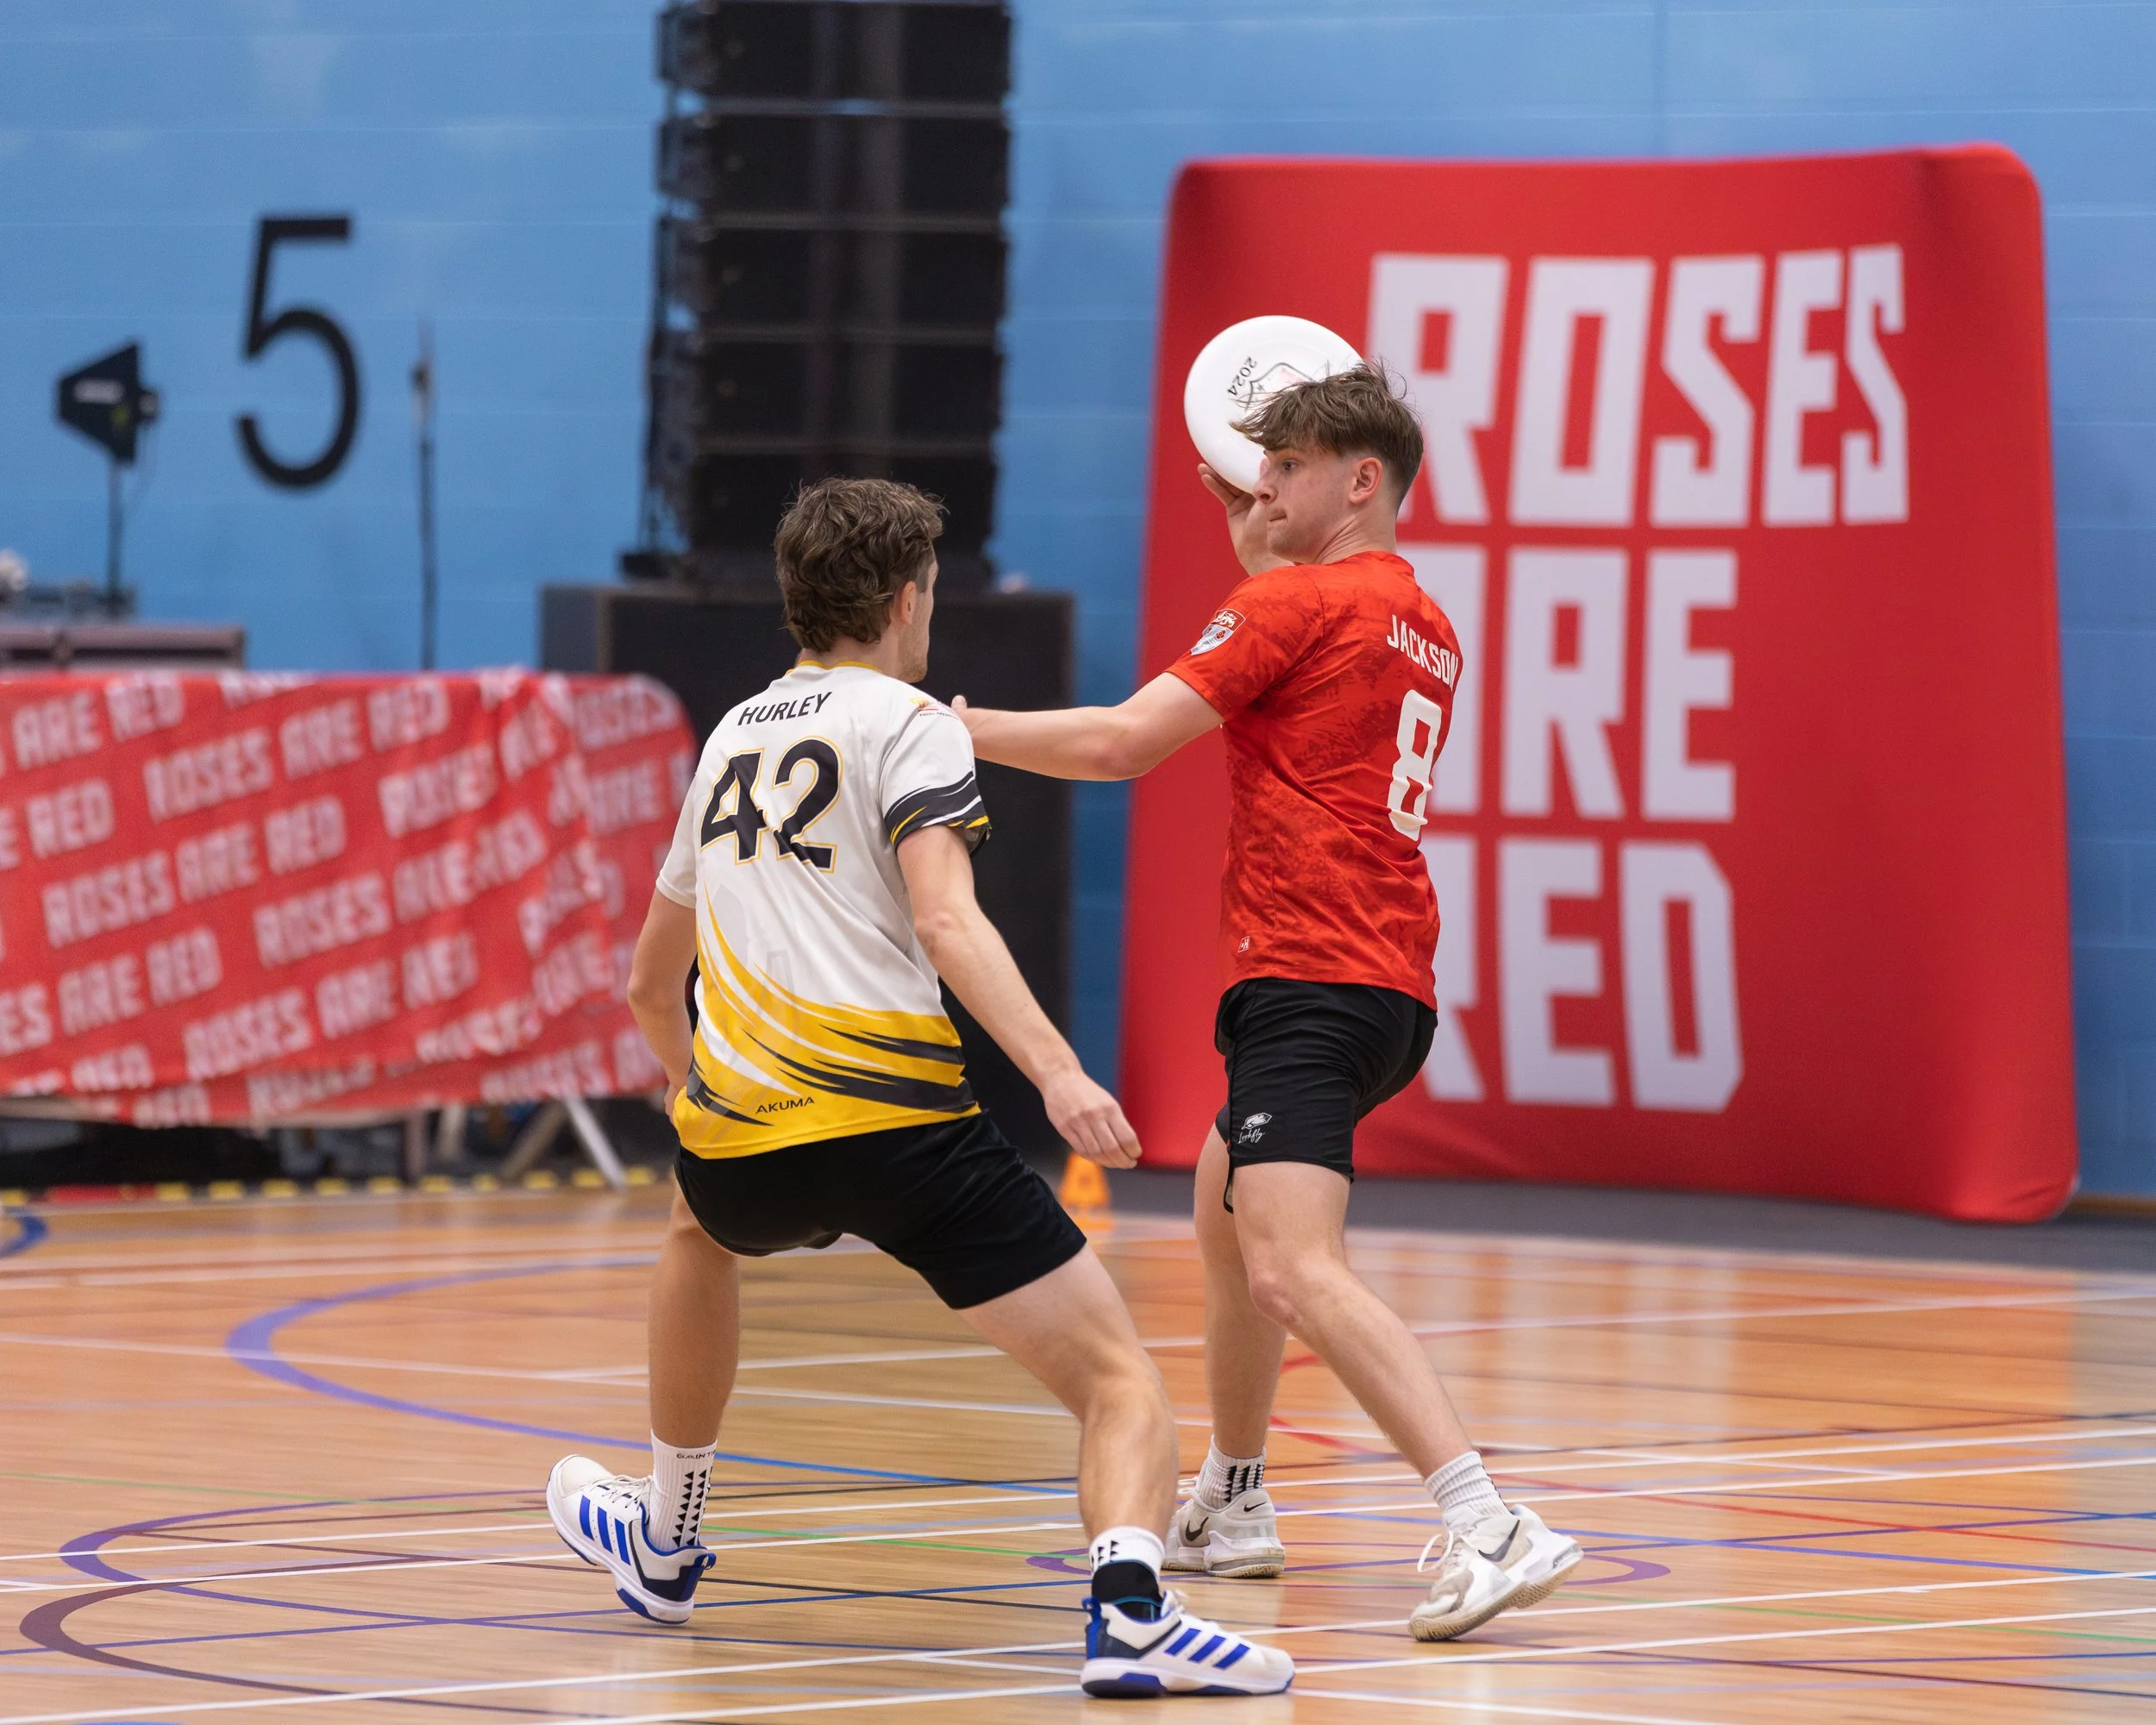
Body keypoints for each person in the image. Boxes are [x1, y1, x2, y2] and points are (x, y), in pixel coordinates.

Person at [544, 476, 1293, 1698]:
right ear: (907, 600)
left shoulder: (730, 733)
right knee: (1119, 1382)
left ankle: (667, 1538)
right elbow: (947, 919)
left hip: (746, 1137)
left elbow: (644, 986)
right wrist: (1058, 1074)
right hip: (902, 1134)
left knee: (695, 1223)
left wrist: (700, 1100)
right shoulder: (908, 720)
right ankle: (1131, 1610)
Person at [956, 367, 1581, 1641]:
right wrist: (1264, 535)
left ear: (1361, 480)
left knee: (1294, 1268)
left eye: (1284, 470)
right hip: (1381, 981)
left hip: (1310, 976)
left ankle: (1488, 1521)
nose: (1259, 489)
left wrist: (953, 726)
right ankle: (1234, 1500)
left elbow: (1121, 744)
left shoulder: (1292, 601)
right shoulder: (1421, 616)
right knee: (1227, 1219)